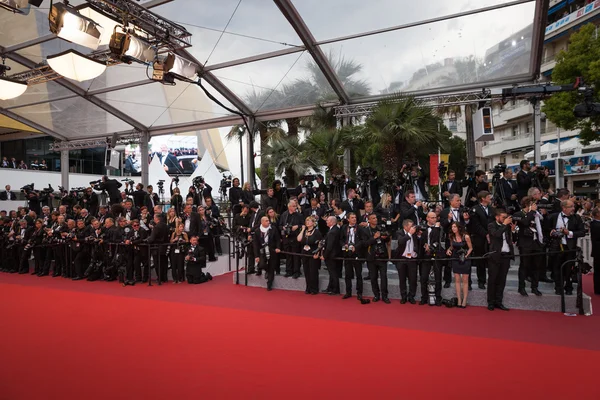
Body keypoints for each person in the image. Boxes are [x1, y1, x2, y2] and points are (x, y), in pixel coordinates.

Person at [545, 200, 585, 296]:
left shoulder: (576, 218)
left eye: (573, 206)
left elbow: (582, 232)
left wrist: (569, 233)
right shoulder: (553, 217)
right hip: (556, 246)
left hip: (570, 247)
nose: (573, 208)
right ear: (564, 208)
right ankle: (558, 287)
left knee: (568, 268)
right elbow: (545, 229)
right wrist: (551, 231)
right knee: (556, 268)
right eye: (571, 206)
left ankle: (568, 287)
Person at [513, 197, 544, 297]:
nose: (536, 205)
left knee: (537, 266)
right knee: (524, 265)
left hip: (536, 242)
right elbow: (525, 222)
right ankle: (521, 287)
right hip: (525, 242)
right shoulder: (518, 214)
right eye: (533, 203)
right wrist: (531, 212)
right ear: (527, 204)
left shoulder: (537, 214)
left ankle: (535, 287)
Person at [487, 209, 516, 311]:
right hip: (495, 256)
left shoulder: (507, 226)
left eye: (506, 217)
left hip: (506, 255)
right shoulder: (491, 225)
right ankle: (490, 302)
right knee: (492, 280)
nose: (505, 219)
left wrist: (513, 230)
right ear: (497, 217)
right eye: (503, 217)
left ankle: (499, 302)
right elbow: (496, 235)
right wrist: (504, 224)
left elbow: (512, 239)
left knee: (502, 280)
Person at [359, 213, 390, 303]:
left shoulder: (381, 228)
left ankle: (385, 296)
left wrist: (385, 237)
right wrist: (374, 237)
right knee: (373, 277)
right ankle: (376, 295)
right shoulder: (365, 231)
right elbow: (364, 244)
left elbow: (387, 240)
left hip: (382, 256)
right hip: (371, 257)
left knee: (384, 277)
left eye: (376, 217)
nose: (376, 219)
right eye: (373, 218)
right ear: (369, 220)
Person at [446, 222, 473, 308]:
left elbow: (470, 248)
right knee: (457, 279)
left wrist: (466, 255)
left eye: (455, 227)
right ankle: (459, 299)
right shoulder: (451, 236)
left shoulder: (466, 236)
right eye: (452, 227)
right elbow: (452, 246)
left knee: (465, 280)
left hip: (465, 259)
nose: (453, 228)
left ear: (459, 228)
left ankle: (464, 299)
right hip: (455, 259)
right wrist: (448, 250)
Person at [418, 212, 442, 306]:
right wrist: (424, 245)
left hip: (436, 255)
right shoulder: (422, 228)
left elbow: (436, 239)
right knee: (423, 277)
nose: (434, 219)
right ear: (427, 218)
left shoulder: (439, 228)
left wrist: (431, 247)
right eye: (432, 218)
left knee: (438, 278)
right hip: (425, 256)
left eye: (435, 217)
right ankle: (424, 298)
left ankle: (438, 298)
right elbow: (419, 240)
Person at [253, 216, 281, 291]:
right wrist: (256, 256)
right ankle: (267, 271)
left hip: (272, 250)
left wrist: (278, 247)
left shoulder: (273, 229)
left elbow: (278, 239)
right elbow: (255, 244)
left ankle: (269, 284)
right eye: (266, 221)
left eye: (268, 220)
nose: (268, 222)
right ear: (262, 222)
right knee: (262, 264)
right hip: (262, 250)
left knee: (272, 267)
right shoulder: (257, 231)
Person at [297, 216, 323, 295]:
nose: (307, 222)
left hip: (313, 253)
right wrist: (302, 230)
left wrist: (318, 253)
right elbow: (299, 239)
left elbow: (320, 244)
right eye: (306, 221)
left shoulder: (317, 232)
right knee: (306, 271)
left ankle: (314, 288)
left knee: (313, 271)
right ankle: (308, 287)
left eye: (309, 221)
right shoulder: (304, 231)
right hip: (305, 254)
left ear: (313, 223)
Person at [395, 219, 418, 304]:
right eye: (410, 226)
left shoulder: (415, 233)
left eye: (413, 226)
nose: (412, 228)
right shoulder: (399, 232)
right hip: (402, 259)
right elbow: (401, 241)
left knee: (413, 279)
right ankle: (403, 296)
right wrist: (409, 234)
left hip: (412, 259)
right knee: (402, 279)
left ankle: (411, 296)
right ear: (405, 227)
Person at [322, 215, 342, 296]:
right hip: (334, 254)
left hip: (331, 255)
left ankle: (335, 289)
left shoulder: (332, 232)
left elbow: (329, 246)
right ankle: (330, 288)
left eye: (327, 220)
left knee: (333, 273)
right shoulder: (335, 229)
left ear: (332, 222)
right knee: (332, 273)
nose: (326, 221)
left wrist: (324, 255)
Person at [590, 207, 600, 295]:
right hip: (598, 252)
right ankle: (598, 289)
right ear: (597, 214)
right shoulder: (595, 224)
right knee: (598, 271)